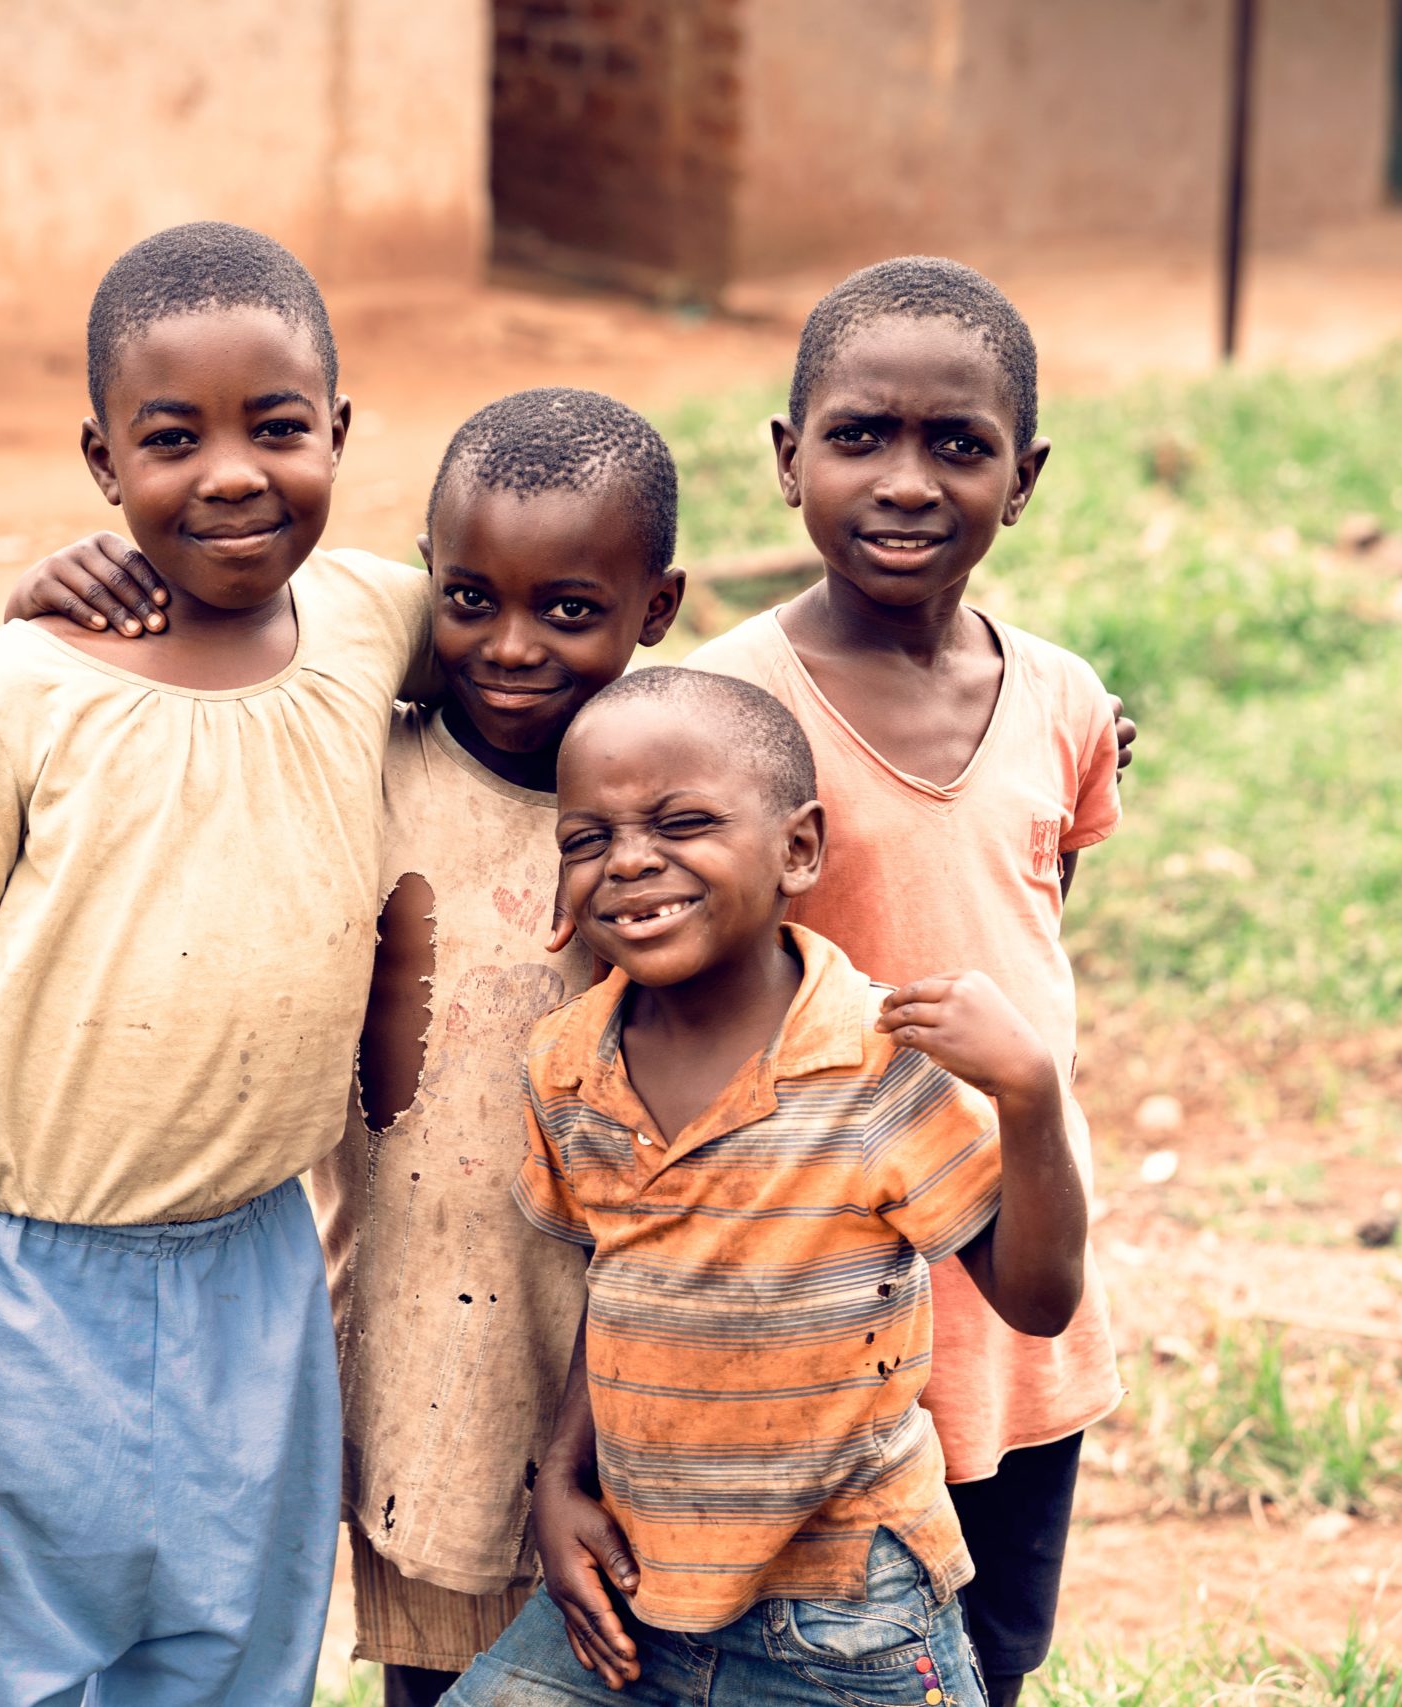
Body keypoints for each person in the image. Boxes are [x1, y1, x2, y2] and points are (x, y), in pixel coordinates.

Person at [0, 222, 430, 1707]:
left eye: (278, 428)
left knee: (227, 1668)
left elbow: (556, 627)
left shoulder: (373, 619)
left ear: (340, 431)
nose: (229, 473)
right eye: (170, 438)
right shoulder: (14, 695)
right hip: (10, 1297)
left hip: (256, 1286)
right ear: (101, 463)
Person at [448, 666, 1086, 1706]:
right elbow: (625, 1289)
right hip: (631, 1591)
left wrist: (1029, 1094)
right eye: (587, 839)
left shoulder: (877, 1061)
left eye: (682, 822)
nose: (632, 862)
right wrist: (561, 1482)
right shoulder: (565, 1064)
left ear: (798, 848)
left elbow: (1039, 1299)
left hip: (844, 1614)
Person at [687, 256, 1130, 1707]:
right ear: (785, 457)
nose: (907, 480)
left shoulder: (1063, 698)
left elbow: (1027, 900)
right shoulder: (722, 705)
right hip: (811, 1287)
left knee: (990, 1647)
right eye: (860, 434)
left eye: (960, 444)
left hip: (1011, 1276)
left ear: (1026, 479)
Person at [309, 390, 683, 1707]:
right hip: (420, 1359)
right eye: (471, 599)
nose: (512, 646)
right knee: (441, 1677)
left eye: (568, 610)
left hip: (628, 1372)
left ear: (659, 608)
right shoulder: (367, 762)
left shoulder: (677, 822)